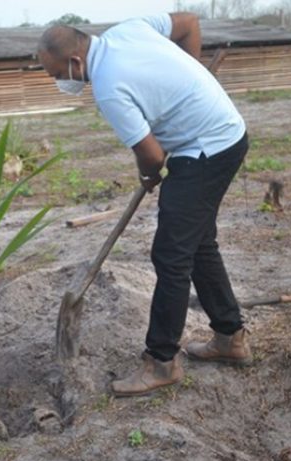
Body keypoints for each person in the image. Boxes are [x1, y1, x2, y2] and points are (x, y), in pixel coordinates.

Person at [38, 13, 251, 397]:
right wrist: (188, 81)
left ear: (74, 63)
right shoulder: (128, 29)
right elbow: (188, 23)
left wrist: (148, 174)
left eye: (56, 75)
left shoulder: (108, 88)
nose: (59, 82)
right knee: (197, 243)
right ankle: (229, 337)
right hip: (224, 134)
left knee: (171, 256)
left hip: (207, 148)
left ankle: (161, 362)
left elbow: (152, 157)